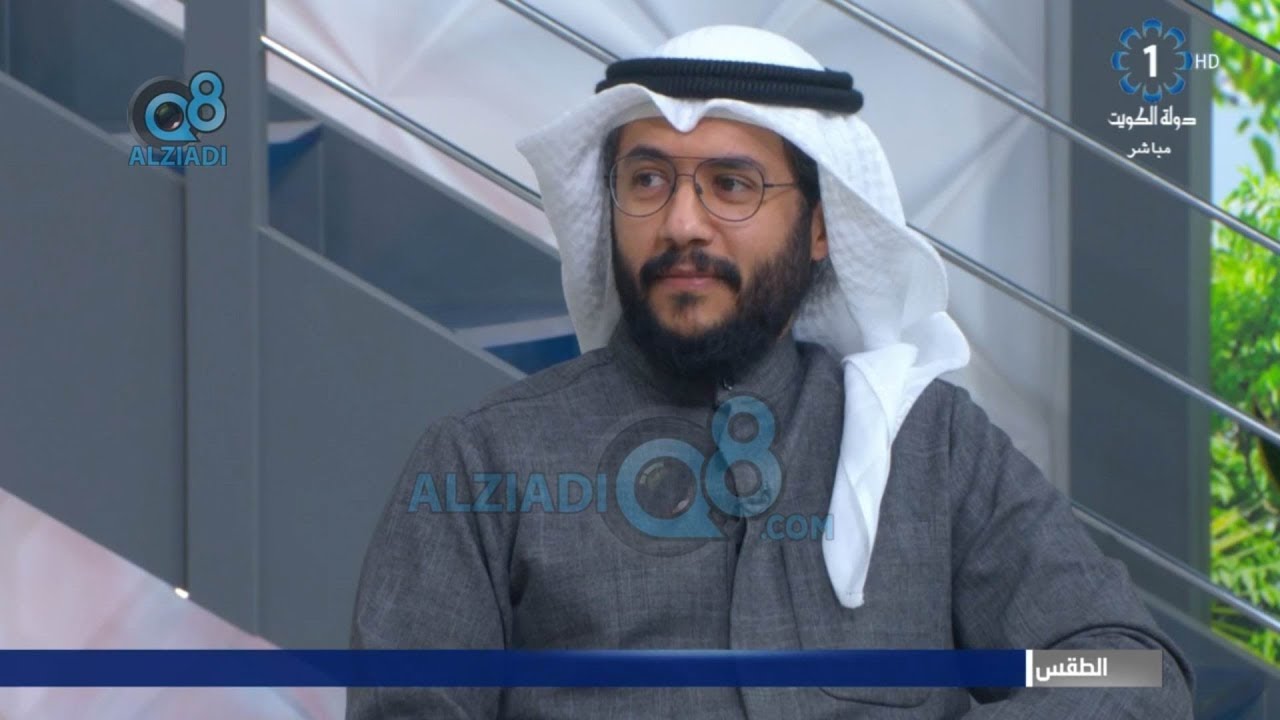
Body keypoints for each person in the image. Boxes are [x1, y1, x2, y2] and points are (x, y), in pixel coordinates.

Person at [347, 25, 1195, 719]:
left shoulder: (933, 451)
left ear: (822, 229)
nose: (683, 223)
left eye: (731, 185)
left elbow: (1124, 669)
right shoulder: (484, 465)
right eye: (648, 180)